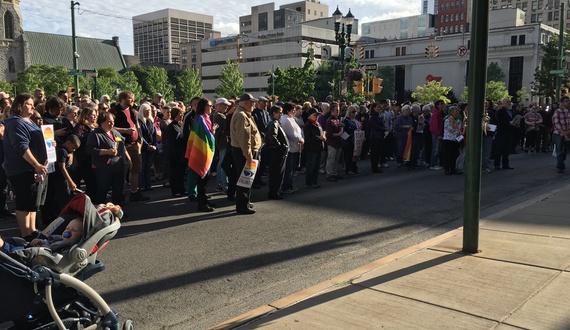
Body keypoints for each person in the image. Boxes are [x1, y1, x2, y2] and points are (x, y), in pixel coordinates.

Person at [2, 93, 48, 239]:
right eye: (29, 104)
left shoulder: (28, 120)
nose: (33, 107)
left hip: (32, 169)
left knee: (32, 201)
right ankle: (25, 233)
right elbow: (21, 147)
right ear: (20, 105)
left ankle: (33, 230)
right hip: (21, 169)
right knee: (24, 201)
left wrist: (49, 144)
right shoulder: (16, 123)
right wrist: (36, 164)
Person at [109, 91, 148, 202]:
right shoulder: (114, 111)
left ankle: (134, 192)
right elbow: (109, 127)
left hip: (135, 144)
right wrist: (125, 130)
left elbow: (137, 126)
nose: (132, 101)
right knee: (123, 170)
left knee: (135, 169)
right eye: (130, 98)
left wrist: (139, 140)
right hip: (122, 145)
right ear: (123, 98)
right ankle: (119, 194)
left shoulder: (132, 111)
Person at [86, 112, 132, 206]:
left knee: (118, 190)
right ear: (102, 122)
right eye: (109, 122)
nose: (112, 124)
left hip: (118, 166)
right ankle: (100, 212)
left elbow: (121, 145)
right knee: (102, 190)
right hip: (103, 168)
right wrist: (106, 151)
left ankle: (117, 211)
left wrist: (128, 158)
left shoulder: (115, 132)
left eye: (113, 122)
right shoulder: (95, 134)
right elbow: (89, 149)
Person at [230, 93, 262, 215]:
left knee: (247, 179)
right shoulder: (242, 116)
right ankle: (242, 206)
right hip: (244, 152)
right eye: (251, 102)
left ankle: (245, 202)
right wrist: (248, 156)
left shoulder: (243, 114)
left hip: (244, 151)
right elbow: (244, 139)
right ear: (245, 103)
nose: (254, 104)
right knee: (245, 179)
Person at [185, 98, 216, 212]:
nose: (211, 108)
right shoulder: (200, 119)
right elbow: (203, 136)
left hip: (205, 150)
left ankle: (204, 200)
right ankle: (201, 204)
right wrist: (212, 134)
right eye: (209, 106)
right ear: (203, 106)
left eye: (211, 106)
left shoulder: (206, 118)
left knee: (205, 179)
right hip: (202, 151)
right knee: (202, 179)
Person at [42, 135, 81, 223]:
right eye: (73, 148)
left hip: (59, 179)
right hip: (59, 179)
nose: (74, 150)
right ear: (68, 143)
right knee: (62, 200)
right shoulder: (62, 151)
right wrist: (70, 181)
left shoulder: (65, 150)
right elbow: (62, 167)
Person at [0, 217, 83, 253]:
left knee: (11, 249)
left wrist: (42, 246)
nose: (68, 232)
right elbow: (48, 241)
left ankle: (4, 247)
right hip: (36, 249)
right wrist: (41, 241)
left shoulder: (70, 243)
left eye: (74, 230)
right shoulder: (60, 238)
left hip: (42, 255)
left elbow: (52, 248)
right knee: (19, 241)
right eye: (67, 228)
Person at [72, 107, 98, 198]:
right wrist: (90, 134)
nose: (95, 117)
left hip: (94, 158)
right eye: (92, 115)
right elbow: (78, 140)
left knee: (95, 182)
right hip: (84, 159)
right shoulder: (80, 127)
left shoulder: (95, 126)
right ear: (86, 116)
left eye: (96, 115)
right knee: (90, 181)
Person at [264, 105, 288, 199]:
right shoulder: (273, 123)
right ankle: (274, 192)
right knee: (276, 174)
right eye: (280, 112)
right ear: (274, 113)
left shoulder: (276, 122)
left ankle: (277, 191)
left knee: (278, 173)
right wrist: (280, 147)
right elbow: (272, 136)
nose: (281, 114)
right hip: (275, 153)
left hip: (276, 152)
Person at [280, 102, 304, 194]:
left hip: (295, 147)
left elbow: (298, 131)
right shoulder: (286, 120)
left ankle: (289, 184)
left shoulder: (291, 119)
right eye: (293, 110)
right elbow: (292, 134)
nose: (294, 112)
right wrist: (300, 139)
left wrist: (301, 138)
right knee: (289, 169)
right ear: (288, 111)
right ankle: (286, 186)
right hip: (290, 148)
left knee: (292, 168)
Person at [165, 107, 187, 197]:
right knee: (175, 172)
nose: (181, 115)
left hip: (181, 151)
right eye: (180, 114)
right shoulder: (170, 126)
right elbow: (170, 140)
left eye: (182, 114)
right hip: (174, 152)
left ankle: (182, 189)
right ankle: (175, 191)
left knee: (181, 172)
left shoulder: (181, 125)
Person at [303, 108, 325, 188]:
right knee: (311, 166)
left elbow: (322, 132)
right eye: (315, 115)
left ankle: (315, 182)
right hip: (311, 149)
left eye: (318, 115)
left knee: (316, 166)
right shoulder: (308, 125)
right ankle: (309, 183)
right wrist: (319, 138)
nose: (317, 117)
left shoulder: (317, 124)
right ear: (310, 116)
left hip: (318, 147)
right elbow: (308, 139)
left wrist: (323, 136)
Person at [213, 98, 231, 193]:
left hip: (220, 142)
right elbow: (229, 123)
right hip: (223, 142)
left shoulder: (217, 115)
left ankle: (220, 184)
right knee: (223, 164)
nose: (227, 107)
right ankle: (224, 185)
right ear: (219, 105)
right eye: (225, 105)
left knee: (221, 163)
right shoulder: (219, 116)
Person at [138, 103, 157, 192]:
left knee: (148, 166)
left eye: (149, 110)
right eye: (146, 111)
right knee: (142, 167)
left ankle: (148, 184)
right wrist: (147, 145)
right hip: (143, 147)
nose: (148, 112)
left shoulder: (150, 121)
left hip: (151, 146)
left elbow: (153, 134)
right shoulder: (140, 122)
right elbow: (140, 135)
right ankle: (142, 185)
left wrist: (154, 144)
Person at [494, 98, 516, 170]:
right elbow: (498, 122)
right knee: (499, 148)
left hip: (509, 132)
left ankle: (505, 164)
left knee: (507, 149)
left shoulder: (511, 111)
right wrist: (509, 123)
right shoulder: (500, 111)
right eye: (507, 102)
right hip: (501, 132)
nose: (509, 103)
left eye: (509, 102)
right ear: (503, 103)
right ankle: (497, 164)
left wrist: (515, 123)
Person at [325, 102, 344, 182]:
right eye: (337, 110)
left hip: (338, 142)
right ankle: (329, 174)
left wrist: (342, 126)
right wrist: (338, 134)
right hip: (332, 142)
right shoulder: (329, 120)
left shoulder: (337, 119)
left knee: (336, 159)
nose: (338, 111)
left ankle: (334, 172)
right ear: (332, 110)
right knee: (331, 159)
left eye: (339, 110)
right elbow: (329, 134)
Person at [441, 106, 463, 175]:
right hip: (448, 139)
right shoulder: (447, 120)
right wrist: (454, 125)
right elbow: (450, 129)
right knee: (448, 155)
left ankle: (453, 169)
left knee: (455, 155)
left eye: (458, 111)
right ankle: (447, 169)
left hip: (456, 139)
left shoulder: (458, 120)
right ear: (451, 112)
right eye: (456, 111)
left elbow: (460, 129)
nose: (457, 112)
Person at [341, 105, 362, 175]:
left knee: (355, 154)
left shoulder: (356, 120)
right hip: (348, 139)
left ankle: (354, 167)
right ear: (349, 112)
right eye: (353, 112)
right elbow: (345, 130)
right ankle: (348, 168)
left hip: (356, 139)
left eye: (355, 112)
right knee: (348, 154)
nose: (354, 113)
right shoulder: (346, 120)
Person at [368, 102, 388, 173]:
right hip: (374, 136)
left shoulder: (379, 117)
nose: (379, 108)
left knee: (378, 152)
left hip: (380, 136)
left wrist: (385, 130)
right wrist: (383, 130)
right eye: (378, 107)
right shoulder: (372, 117)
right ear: (374, 108)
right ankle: (374, 167)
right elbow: (375, 127)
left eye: (380, 107)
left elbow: (382, 125)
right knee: (374, 153)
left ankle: (376, 165)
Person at [552, 96, 570, 173]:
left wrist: (568, 131)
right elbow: (556, 123)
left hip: (568, 132)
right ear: (562, 103)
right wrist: (563, 133)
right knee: (559, 149)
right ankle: (560, 166)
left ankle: (562, 160)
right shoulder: (557, 111)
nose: (568, 102)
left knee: (565, 150)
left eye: (568, 101)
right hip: (559, 133)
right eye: (566, 101)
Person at [430, 100, 445, 170]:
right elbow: (435, 124)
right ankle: (433, 164)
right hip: (436, 133)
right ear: (437, 105)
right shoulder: (436, 114)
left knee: (438, 148)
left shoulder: (440, 113)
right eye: (441, 104)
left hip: (439, 132)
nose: (443, 105)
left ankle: (435, 163)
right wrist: (438, 133)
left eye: (443, 104)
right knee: (436, 149)